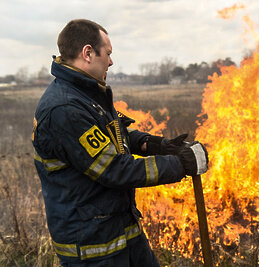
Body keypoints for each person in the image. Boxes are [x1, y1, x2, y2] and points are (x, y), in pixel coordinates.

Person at [32, 19, 208, 266]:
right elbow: (115, 169)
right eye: (108, 53)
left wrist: (154, 144)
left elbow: (114, 135)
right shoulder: (65, 109)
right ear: (88, 53)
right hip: (93, 246)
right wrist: (179, 164)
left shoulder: (86, 94)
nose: (112, 62)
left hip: (121, 230)